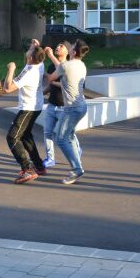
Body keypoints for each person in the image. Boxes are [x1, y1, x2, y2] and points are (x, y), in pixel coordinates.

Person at [45, 39, 89, 185]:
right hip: (81, 106)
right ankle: (78, 167)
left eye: (71, 47)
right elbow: (63, 74)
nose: (69, 48)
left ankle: (77, 169)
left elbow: (51, 78)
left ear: (73, 52)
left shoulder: (66, 65)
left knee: (61, 139)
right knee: (69, 137)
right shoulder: (82, 65)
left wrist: (43, 67)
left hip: (72, 108)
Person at [3, 39, 47, 184]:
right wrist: (35, 46)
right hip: (36, 106)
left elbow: (8, 88)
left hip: (28, 108)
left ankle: (27, 169)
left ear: (31, 57)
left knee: (12, 137)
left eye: (29, 51)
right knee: (26, 136)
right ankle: (39, 166)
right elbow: (36, 56)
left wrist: (11, 69)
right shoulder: (39, 64)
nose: (27, 51)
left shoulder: (28, 72)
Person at [42, 41, 80, 167]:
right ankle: (50, 158)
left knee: (67, 134)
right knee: (47, 132)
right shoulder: (51, 67)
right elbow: (49, 85)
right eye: (57, 45)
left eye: (61, 46)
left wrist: (51, 56)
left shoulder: (69, 66)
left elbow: (64, 82)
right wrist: (41, 93)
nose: (57, 47)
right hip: (52, 105)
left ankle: (77, 150)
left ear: (68, 51)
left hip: (65, 107)